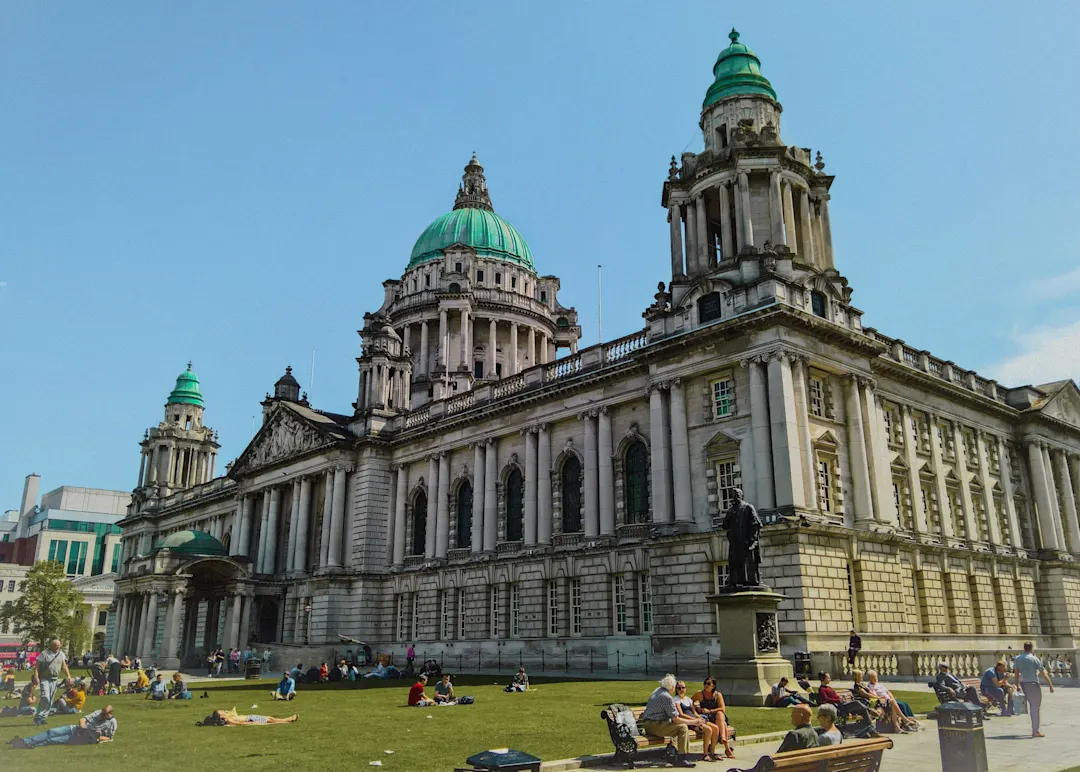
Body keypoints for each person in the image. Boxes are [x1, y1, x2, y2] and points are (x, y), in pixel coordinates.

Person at [639, 674, 696, 768]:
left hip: (648, 724)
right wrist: (694, 722)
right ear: (673, 687)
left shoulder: (657, 690)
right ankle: (682, 758)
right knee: (682, 728)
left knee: (675, 728)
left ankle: (672, 753)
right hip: (655, 726)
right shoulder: (667, 698)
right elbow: (676, 719)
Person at [9, 704, 117, 748]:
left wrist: (96, 736)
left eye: (104, 714)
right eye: (102, 713)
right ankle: (25, 741)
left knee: (52, 740)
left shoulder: (112, 723)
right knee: (50, 732)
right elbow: (82, 719)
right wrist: (82, 727)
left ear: (110, 714)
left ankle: (28, 745)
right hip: (75, 729)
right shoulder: (98, 712)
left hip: (80, 737)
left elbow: (109, 738)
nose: (101, 715)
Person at [1013, 642, 1054, 738]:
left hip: (1023, 684)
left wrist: (1017, 685)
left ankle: (1035, 729)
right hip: (1033, 684)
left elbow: (1016, 673)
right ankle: (1035, 730)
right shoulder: (1034, 659)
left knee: (1032, 706)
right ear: (1031, 649)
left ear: (1024, 648)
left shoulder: (1018, 658)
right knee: (1035, 708)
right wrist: (1050, 685)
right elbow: (1044, 673)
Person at [675, 680, 719, 762]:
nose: (681, 689)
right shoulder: (676, 700)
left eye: (683, 687)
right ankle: (705, 754)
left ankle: (712, 753)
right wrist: (695, 720)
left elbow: (694, 712)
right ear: (676, 690)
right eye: (679, 688)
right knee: (708, 730)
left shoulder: (688, 700)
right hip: (688, 722)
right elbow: (681, 714)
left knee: (715, 728)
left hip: (696, 720)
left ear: (686, 689)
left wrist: (700, 718)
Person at [692, 675, 734, 759]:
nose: (706, 685)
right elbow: (689, 703)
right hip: (707, 718)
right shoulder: (700, 694)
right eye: (705, 683)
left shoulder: (718, 695)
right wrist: (698, 708)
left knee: (720, 714)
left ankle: (722, 738)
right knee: (724, 725)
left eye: (708, 684)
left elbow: (722, 709)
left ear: (713, 686)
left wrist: (710, 711)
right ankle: (726, 747)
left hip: (716, 718)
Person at [34, 637, 71, 724]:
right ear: (52, 645)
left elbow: (64, 666)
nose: (57, 647)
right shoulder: (44, 653)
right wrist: (36, 676)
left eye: (59, 645)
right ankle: (38, 716)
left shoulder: (61, 654)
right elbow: (37, 666)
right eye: (56, 645)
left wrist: (68, 676)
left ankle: (43, 717)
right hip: (45, 678)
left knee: (50, 699)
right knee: (45, 697)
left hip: (55, 679)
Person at [196, 708, 298, 726]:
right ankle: (287, 719)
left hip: (251, 717)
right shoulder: (228, 719)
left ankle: (287, 719)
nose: (224, 711)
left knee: (270, 718)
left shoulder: (229, 717)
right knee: (270, 719)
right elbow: (241, 723)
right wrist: (252, 723)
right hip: (251, 719)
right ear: (221, 716)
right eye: (222, 711)